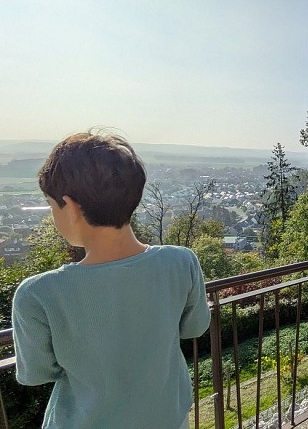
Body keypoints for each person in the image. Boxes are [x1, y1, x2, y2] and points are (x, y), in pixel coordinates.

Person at [11, 132, 211, 428]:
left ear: (72, 206)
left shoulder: (37, 294)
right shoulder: (181, 261)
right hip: (167, 415)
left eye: (53, 206)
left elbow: (35, 373)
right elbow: (195, 326)